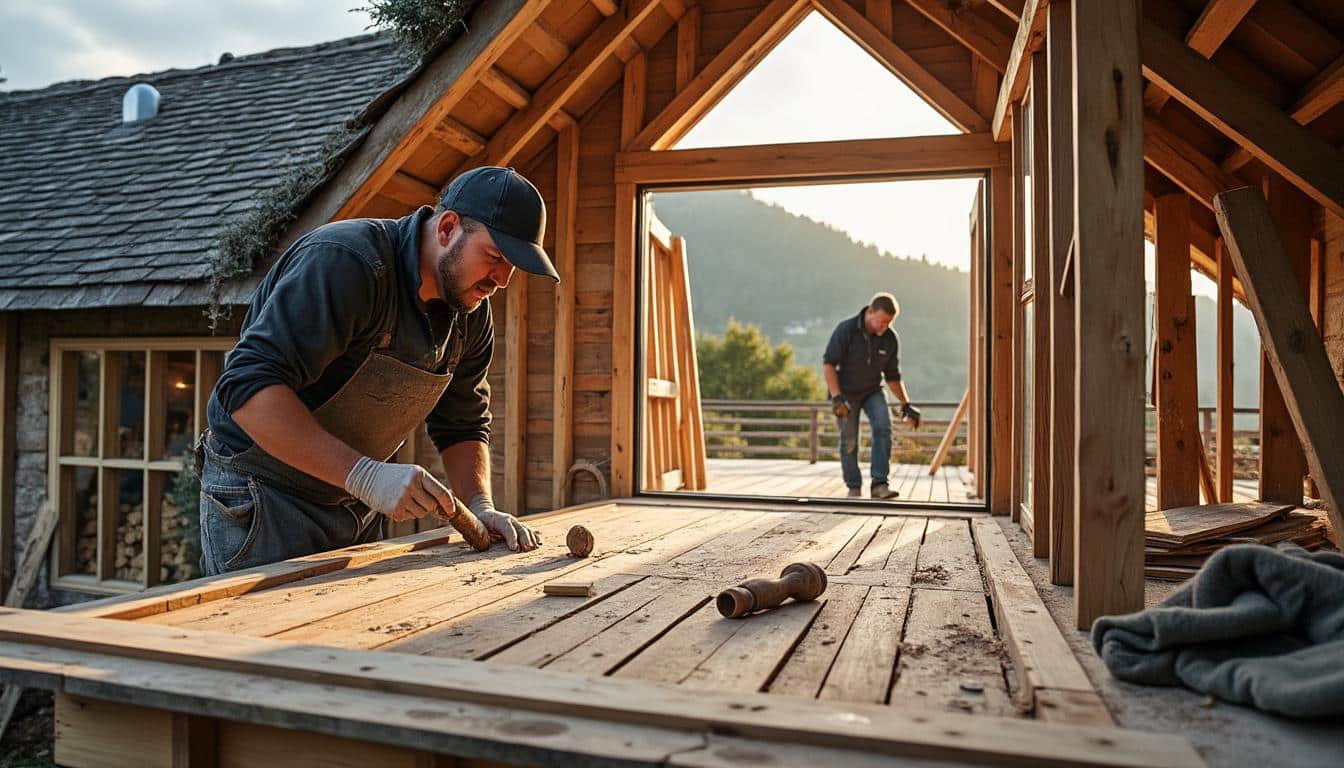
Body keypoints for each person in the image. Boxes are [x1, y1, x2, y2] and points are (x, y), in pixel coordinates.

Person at [195, 166, 556, 575]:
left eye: (512, 267)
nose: (502, 280)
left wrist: (479, 504)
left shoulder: (470, 314)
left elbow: (463, 424)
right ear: (448, 229)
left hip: (354, 502)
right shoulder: (346, 263)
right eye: (494, 258)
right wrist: (365, 475)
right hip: (263, 499)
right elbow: (245, 388)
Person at [821, 292, 921, 499]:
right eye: (881, 321)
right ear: (870, 311)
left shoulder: (890, 338)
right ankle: (854, 486)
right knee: (849, 439)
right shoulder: (846, 330)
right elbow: (829, 364)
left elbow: (893, 377)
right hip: (845, 392)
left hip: (872, 390)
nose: (884, 327)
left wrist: (906, 404)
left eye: (889, 323)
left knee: (883, 427)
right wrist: (836, 396)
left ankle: (879, 485)